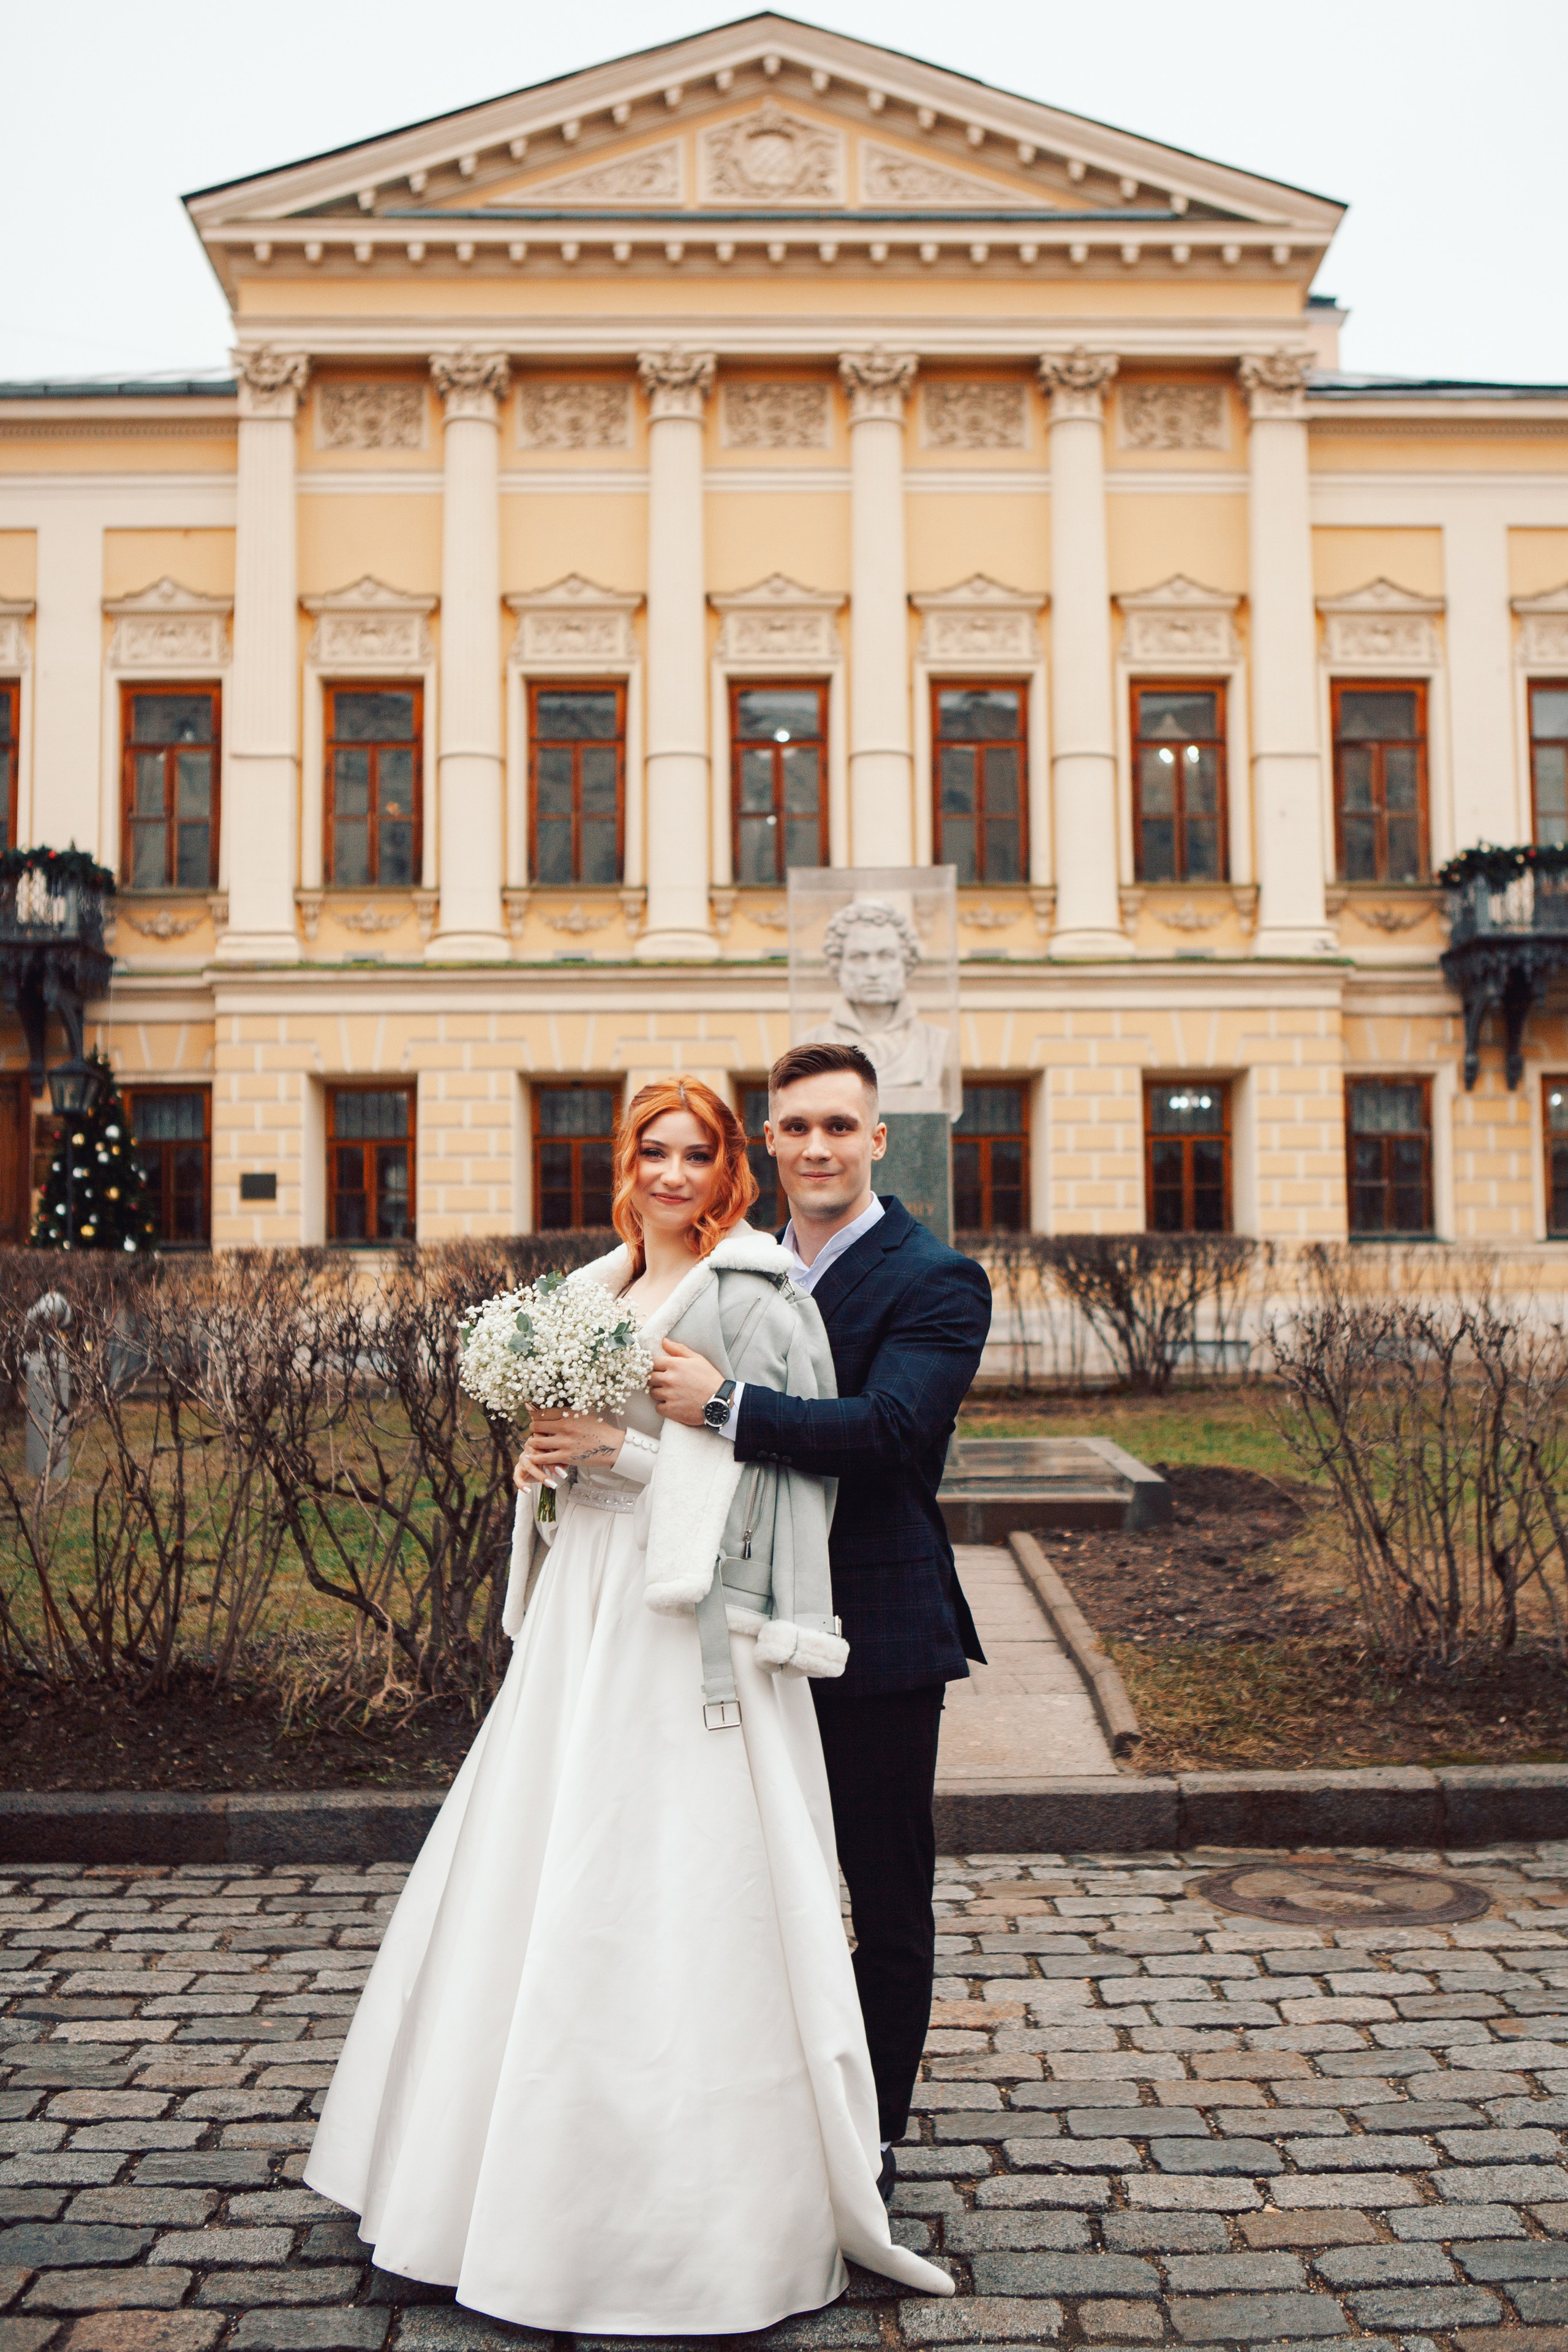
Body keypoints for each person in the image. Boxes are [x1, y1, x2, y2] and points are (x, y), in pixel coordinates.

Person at [304, 1077, 952, 2335]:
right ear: (624, 1162)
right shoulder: (584, 1294)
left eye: (693, 1152)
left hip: (683, 1629)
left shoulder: (757, 1297)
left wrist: (627, 1453)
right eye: (650, 1150)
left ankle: (684, 2211)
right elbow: (569, 1459)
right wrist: (544, 1466)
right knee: (536, 1872)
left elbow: (776, 1490)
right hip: (580, 1619)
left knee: (670, 1892)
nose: (669, 1172)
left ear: (729, 1168)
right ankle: (469, 2190)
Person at [650, 1042, 993, 2201]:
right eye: (794, 1128)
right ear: (768, 1140)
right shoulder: (732, 1261)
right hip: (740, 1619)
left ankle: (872, 2135)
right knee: (748, 1882)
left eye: (838, 1127)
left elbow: (892, 1431)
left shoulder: (936, 1277)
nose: (815, 1149)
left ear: (877, 1137)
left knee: (882, 1895)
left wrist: (731, 1407)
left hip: (879, 1624)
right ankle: (758, 2104)